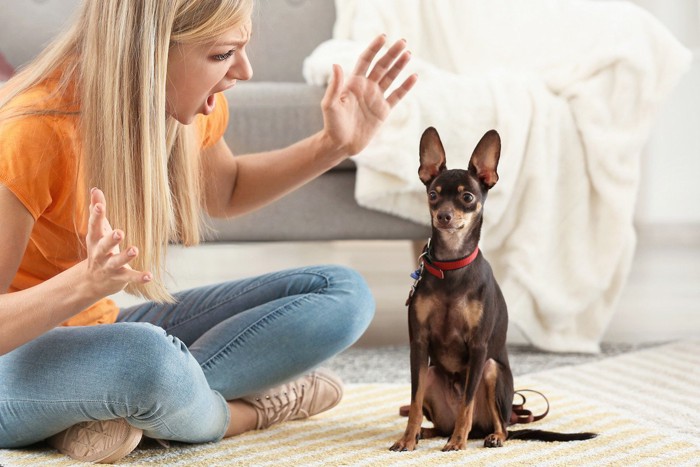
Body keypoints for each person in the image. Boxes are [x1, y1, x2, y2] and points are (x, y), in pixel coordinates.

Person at [0, 0, 417, 463]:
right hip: (11, 363)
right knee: (146, 359)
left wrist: (334, 145)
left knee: (343, 293)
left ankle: (115, 409)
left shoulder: (183, 110)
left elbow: (228, 190)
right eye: (222, 55)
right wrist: (84, 284)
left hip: (100, 337)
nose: (246, 70)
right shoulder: (29, 135)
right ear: (149, 53)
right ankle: (238, 414)